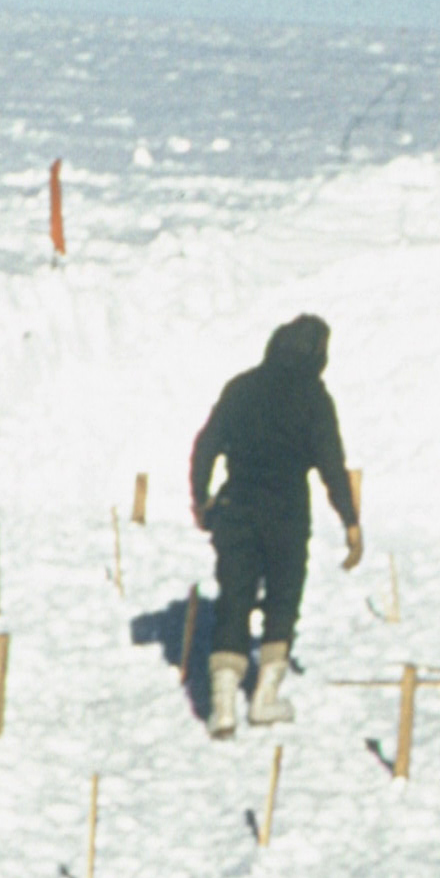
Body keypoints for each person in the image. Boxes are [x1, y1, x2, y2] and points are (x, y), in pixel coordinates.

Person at [188, 315, 363, 738]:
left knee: (235, 598)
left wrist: (201, 497)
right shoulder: (315, 399)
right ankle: (265, 698)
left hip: (237, 509)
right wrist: (351, 522)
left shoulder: (241, 387)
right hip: (287, 516)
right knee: (283, 599)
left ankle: (223, 707)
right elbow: (331, 467)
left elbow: (206, 445)